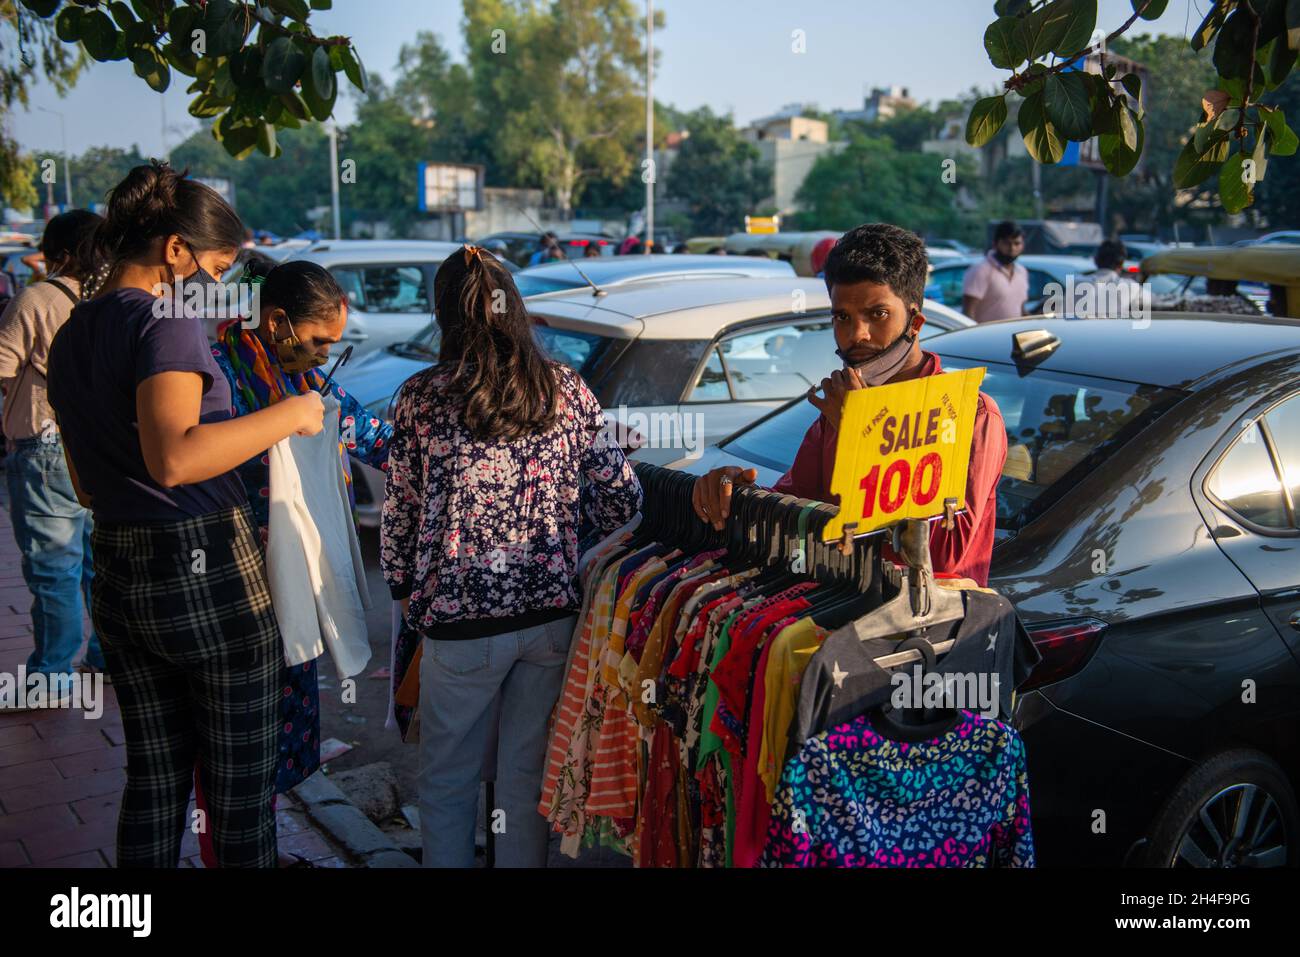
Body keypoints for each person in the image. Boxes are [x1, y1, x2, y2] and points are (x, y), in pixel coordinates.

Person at [45, 161, 325, 868]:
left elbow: (84, 480)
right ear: (176, 251)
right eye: (219, 266)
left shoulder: (76, 330)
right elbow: (174, 455)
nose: (222, 285)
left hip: (117, 566)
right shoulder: (163, 323)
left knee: (154, 783)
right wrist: (289, 413)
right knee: (237, 798)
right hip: (208, 580)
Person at [381, 244, 642, 868]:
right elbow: (620, 498)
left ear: (446, 314)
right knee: (525, 781)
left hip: (460, 625)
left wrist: (402, 592)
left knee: (449, 779)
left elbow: (401, 516)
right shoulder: (568, 390)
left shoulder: (422, 397)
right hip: (549, 618)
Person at [198, 257, 394, 867]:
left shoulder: (308, 382)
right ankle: (230, 852)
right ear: (277, 322)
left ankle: (256, 845)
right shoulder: (216, 374)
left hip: (293, 584)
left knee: (282, 724)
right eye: (316, 342)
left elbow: (371, 436)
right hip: (232, 581)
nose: (323, 356)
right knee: (234, 735)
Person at [692, 223, 1008, 586]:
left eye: (878, 315)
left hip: (922, 633)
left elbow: (941, 556)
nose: (856, 334)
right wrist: (739, 490)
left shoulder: (969, 413)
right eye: (842, 317)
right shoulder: (839, 408)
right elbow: (796, 508)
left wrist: (863, 437)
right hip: (839, 610)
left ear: (915, 322)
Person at [0, 210, 107, 710]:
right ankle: (108, 657)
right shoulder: (107, 301)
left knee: (53, 571)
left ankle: (52, 678)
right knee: (96, 565)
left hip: (43, 449)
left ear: (56, 250)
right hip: (95, 447)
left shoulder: (35, 299)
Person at [962, 220, 1028, 323]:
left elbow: (1020, 310)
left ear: (1022, 245)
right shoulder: (981, 270)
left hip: (1013, 337)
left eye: (1017, 243)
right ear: (995, 244)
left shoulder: (1022, 272)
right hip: (986, 338)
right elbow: (968, 313)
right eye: (1007, 243)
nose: (1012, 248)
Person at [1069, 239, 1143, 318]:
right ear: (1121, 263)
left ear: (1095, 260)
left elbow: (1064, 316)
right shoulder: (1130, 286)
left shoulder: (1076, 283)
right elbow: (1155, 301)